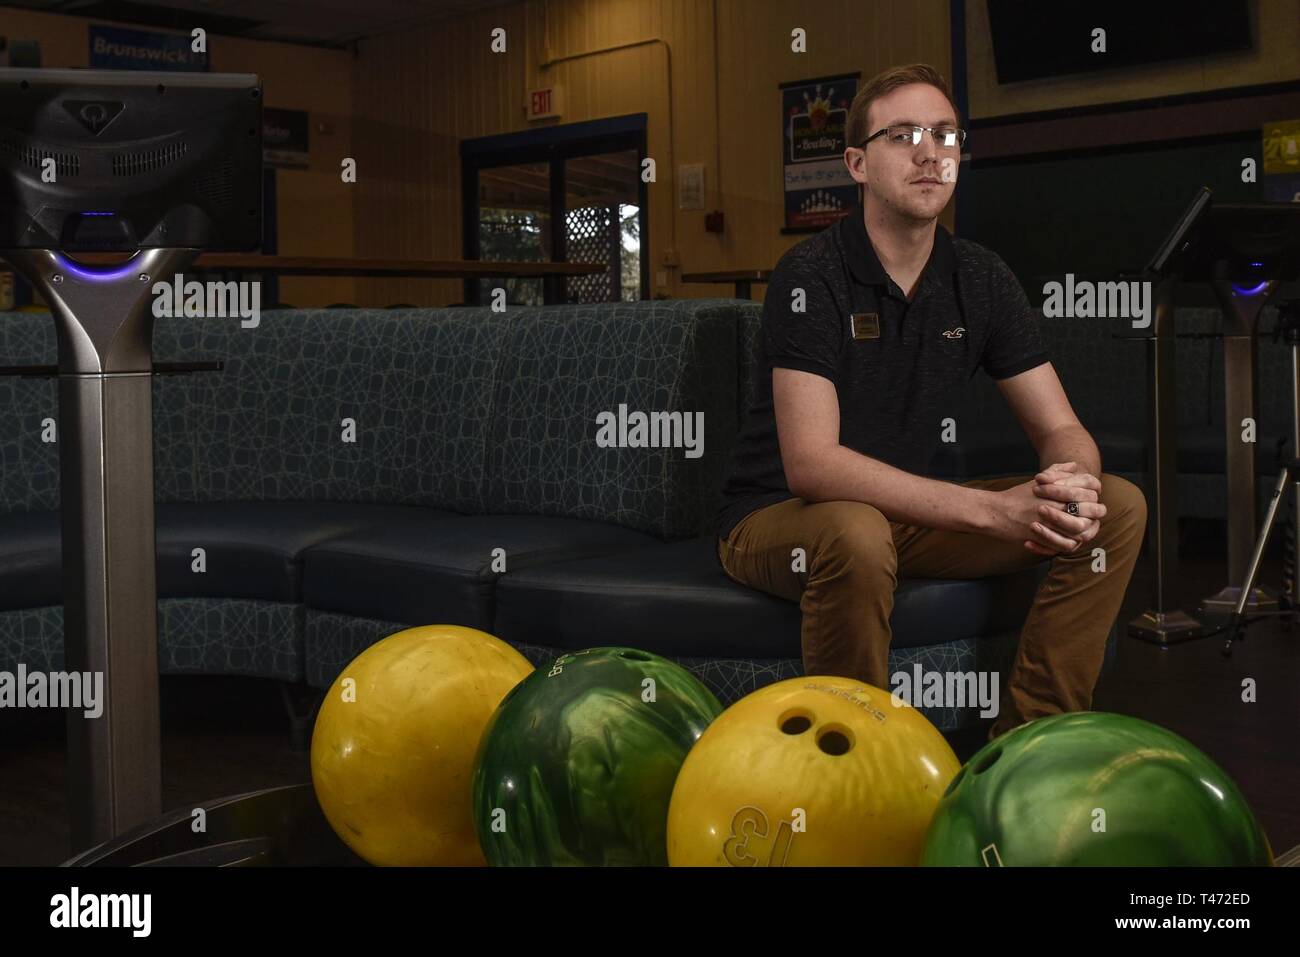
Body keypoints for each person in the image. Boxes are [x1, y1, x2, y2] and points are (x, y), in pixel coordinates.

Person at [714, 63, 1147, 740]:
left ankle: (1030, 745)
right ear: (856, 163)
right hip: (783, 517)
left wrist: (1072, 479)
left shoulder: (980, 276)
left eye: (945, 135)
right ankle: (858, 762)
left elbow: (1061, 425)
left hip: (904, 517)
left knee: (1117, 505)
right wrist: (992, 510)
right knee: (855, 531)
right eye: (904, 135)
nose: (930, 152)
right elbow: (812, 465)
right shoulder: (811, 274)